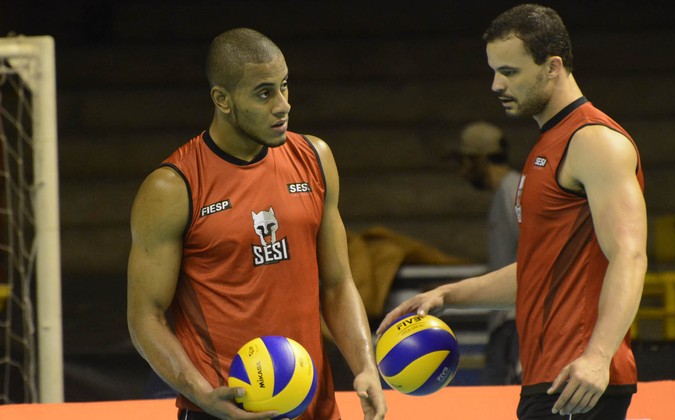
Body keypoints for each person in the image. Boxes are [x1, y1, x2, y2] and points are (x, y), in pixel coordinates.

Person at [378, 4, 646, 419]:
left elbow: (630, 254)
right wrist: (446, 295)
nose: (495, 84)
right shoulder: (549, 145)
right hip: (551, 379)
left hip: (580, 382)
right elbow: (538, 269)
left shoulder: (594, 141)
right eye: (494, 70)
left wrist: (598, 355)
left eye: (509, 71)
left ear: (553, 66)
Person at [127, 28, 387, 420]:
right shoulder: (173, 187)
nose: (283, 105)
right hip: (223, 410)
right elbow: (145, 317)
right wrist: (202, 393)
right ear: (222, 100)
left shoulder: (316, 157)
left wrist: (365, 367)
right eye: (264, 93)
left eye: (284, 87)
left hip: (314, 406)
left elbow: (336, 285)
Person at [451, 120, 521, 385]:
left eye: (463, 162)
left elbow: (539, 258)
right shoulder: (505, 192)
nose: (461, 172)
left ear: (478, 160)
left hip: (517, 322)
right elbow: (509, 263)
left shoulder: (512, 191)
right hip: (508, 321)